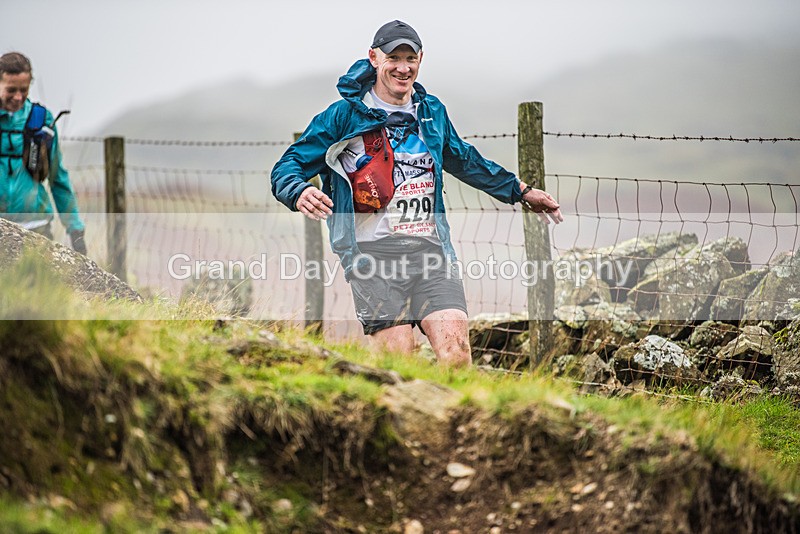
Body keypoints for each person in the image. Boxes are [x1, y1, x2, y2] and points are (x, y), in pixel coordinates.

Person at [271, 20, 562, 366]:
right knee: (401, 363)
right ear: (374, 58)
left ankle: (454, 419)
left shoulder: (431, 112)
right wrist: (299, 190)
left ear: (421, 59)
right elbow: (288, 166)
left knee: (456, 356)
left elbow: (465, 160)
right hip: (372, 258)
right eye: (393, 57)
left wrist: (521, 191)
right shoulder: (343, 116)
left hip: (431, 254)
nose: (403, 67)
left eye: (410, 58)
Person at [0, 51, 86, 254]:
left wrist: (75, 229)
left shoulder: (43, 122)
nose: (18, 97)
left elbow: (58, 179)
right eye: (11, 90)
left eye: (24, 89)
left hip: (37, 228)